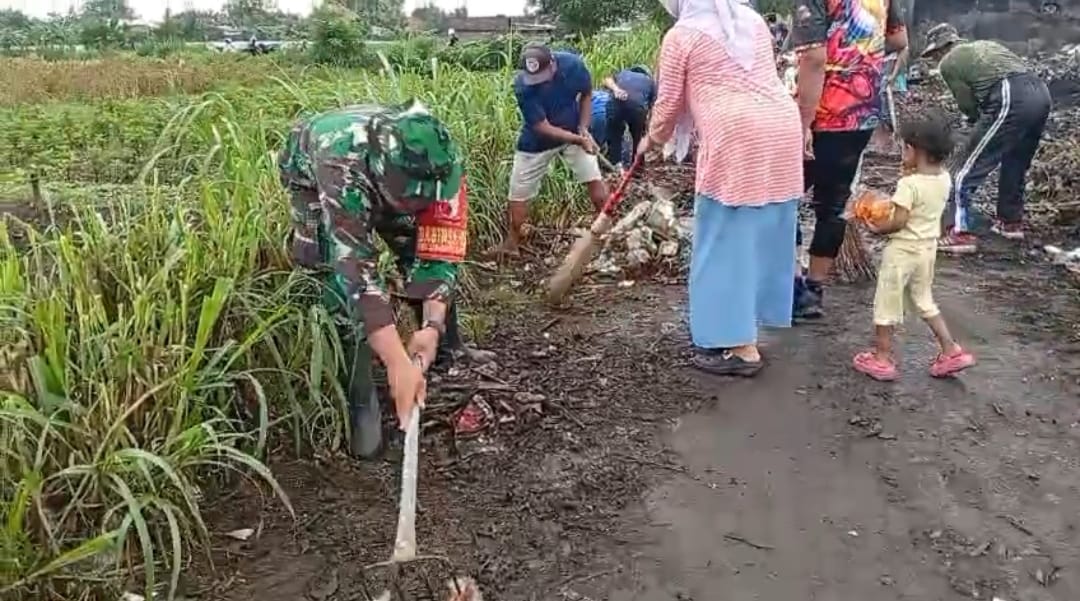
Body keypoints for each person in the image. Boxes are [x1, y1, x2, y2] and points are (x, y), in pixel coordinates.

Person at [278, 100, 488, 459]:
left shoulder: (443, 160)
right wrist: (395, 363)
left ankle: (445, 347)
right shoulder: (341, 164)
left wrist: (432, 326)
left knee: (415, 247)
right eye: (412, 197)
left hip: (380, 176)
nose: (421, 205)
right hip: (313, 177)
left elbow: (440, 249)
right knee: (329, 275)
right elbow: (357, 276)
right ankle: (362, 402)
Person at [638, 0, 804, 377]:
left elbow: (668, 103)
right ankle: (750, 325)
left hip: (736, 136)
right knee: (765, 234)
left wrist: (652, 138)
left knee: (723, 242)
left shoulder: (682, 34)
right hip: (780, 126)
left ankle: (737, 346)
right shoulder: (752, 20)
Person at [790, 0, 908, 318]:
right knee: (833, 205)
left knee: (784, 198)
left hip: (822, 114)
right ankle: (813, 291)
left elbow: (814, 59)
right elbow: (898, 40)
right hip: (861, 116)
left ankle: (792, 286)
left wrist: (803, 123)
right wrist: (863, 54)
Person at [853, 111, 976, 380]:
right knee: (924, 300)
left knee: (886, 302)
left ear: (913, 150)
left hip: (902, 252)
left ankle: (882, 358)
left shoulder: (909, 185)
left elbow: (898, 221)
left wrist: (873, 226)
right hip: (927, 249)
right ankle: (951, 349)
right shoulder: (943, 178)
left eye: (903, 148)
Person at [920, 23, 1051, 252]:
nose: (934, 59)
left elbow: (968, 105)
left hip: (1011, 95)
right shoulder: (986, 46)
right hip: (1040, 94)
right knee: (1015, 162)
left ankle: (958, 232)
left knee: (963, 168)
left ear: (942, 47)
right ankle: (1010, 222)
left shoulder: (949, 62)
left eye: (934, 54)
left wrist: (975, 125)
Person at [492, 43, 608, 257]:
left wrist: (583, 128)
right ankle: (512, 242)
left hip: (573, 129)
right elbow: (541, 126)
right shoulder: (523, 86)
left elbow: (587, 94)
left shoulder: (574, 66)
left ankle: (608, 230)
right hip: (536, 142)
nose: (541, 84)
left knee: (593, 177)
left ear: (553, 63)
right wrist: (578, 139)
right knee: (518, 192)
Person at [601, 65, 657, 170]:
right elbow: (653, 107)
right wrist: (649, 127)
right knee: (638, 139)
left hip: (616, 103)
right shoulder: (650, 82)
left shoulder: (622, 74)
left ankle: (616, 166)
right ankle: (637, 167)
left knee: (614, 136)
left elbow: (606, 79)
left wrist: (616, 89)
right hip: (638, 108)